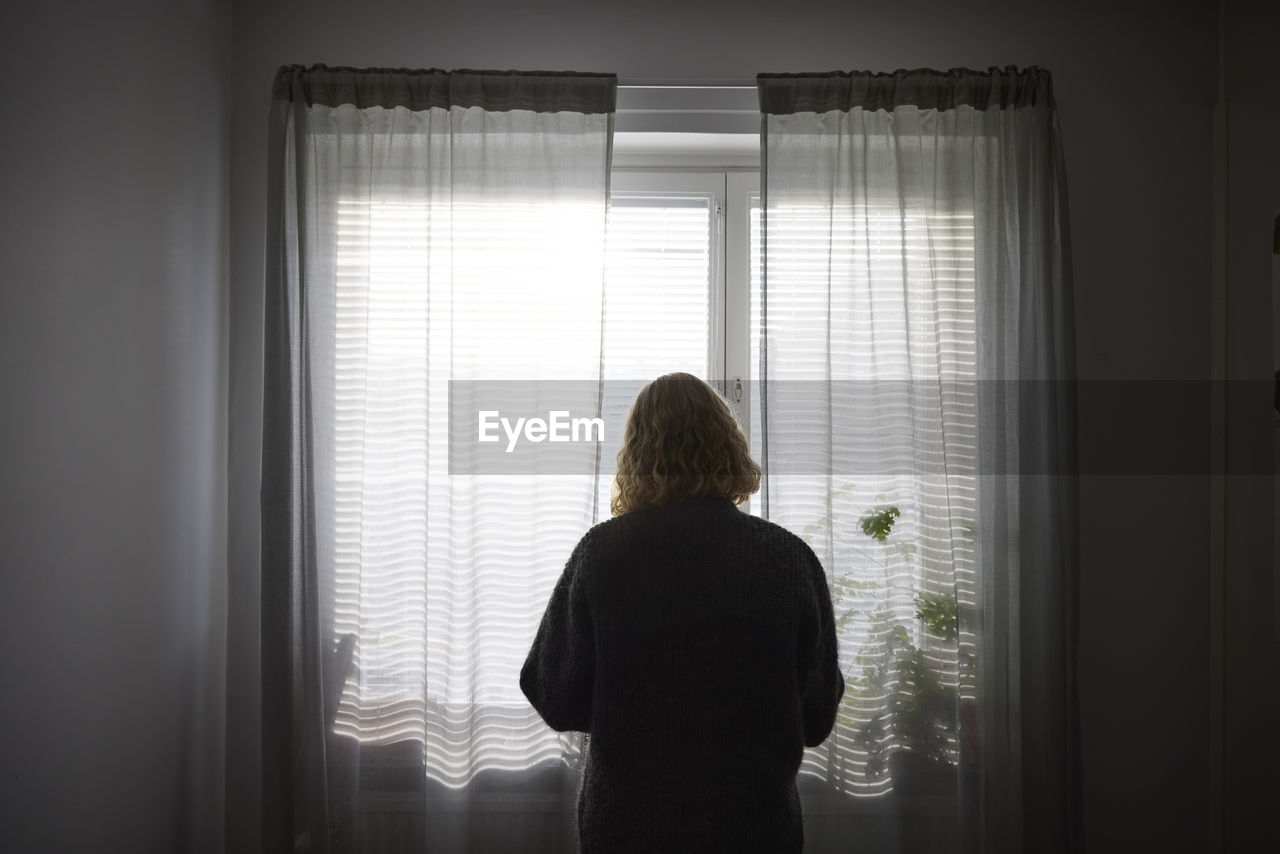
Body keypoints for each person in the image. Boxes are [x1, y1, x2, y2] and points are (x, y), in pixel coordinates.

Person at [520, 372, 845, 853]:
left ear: (637, 454)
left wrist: (636, 705)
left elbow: (553, 693)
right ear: (728, 445)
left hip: (629, 829)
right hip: (756, 829)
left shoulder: (602, 555)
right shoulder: (788, 559)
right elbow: (816, 717)